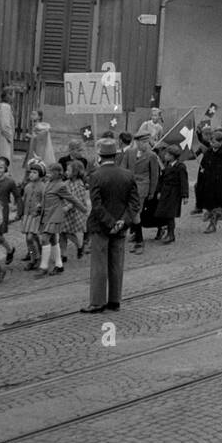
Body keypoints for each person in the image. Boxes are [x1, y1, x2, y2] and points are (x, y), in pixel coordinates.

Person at [80, 137, 141, 314]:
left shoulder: (96, 176)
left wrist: (110, 223)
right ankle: (115, 300)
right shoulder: (127, 175)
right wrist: (122, 221)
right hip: (121, 226)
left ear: (100, 156)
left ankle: (97, 302)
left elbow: (96, 205)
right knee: (116, 263)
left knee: (99, 265)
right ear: (115, 156)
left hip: (101, 226)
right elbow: (134, 203)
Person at [119, 123, 161, 254]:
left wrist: (152, 191)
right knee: (132, 213)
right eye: (140, 142)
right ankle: (135, 236)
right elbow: (122, 169)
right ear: (136, 142)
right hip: (129, 186)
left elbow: (154, 175)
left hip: (142, 188)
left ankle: (139, 241)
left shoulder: (152, 156)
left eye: (145, 142)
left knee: (135, 212)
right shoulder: (129, 153)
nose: (143, 145)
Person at [194, 129, 222, 233]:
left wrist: (220, 177)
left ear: (221, 142)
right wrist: (203, 171)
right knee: (209, 203)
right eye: (211, 142)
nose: (211, 144)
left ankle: (213, 224)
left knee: (217, 205)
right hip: (208, 183)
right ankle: (210, 215)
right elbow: (204, 164)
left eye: (214, 142)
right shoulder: (209, 152)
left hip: (220, 185)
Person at [151, 144, 188, 243]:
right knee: (163, 213)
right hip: (165, 192)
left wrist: (185, 195)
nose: (165, 156)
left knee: (170, 215)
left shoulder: (180, 167)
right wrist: (159, 191)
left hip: (174, 193)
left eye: (167, 154)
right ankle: (164, 230)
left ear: (172, 156)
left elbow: (184, 181)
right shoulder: (167, 165)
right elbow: (161, 180)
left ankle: (171, 234)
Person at [20, 160, 47, 268]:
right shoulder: (27, 186)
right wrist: (21, 213)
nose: (31, 174)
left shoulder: (43, 187)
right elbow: (24, 200)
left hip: (36, 216)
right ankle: (33, 258)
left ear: (40, 174)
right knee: (29, 238)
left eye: (34, 172)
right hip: (28, 215)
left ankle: (38, 257)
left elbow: (45, 201)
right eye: (31, 172)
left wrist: (40, 209)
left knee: (31, 237)